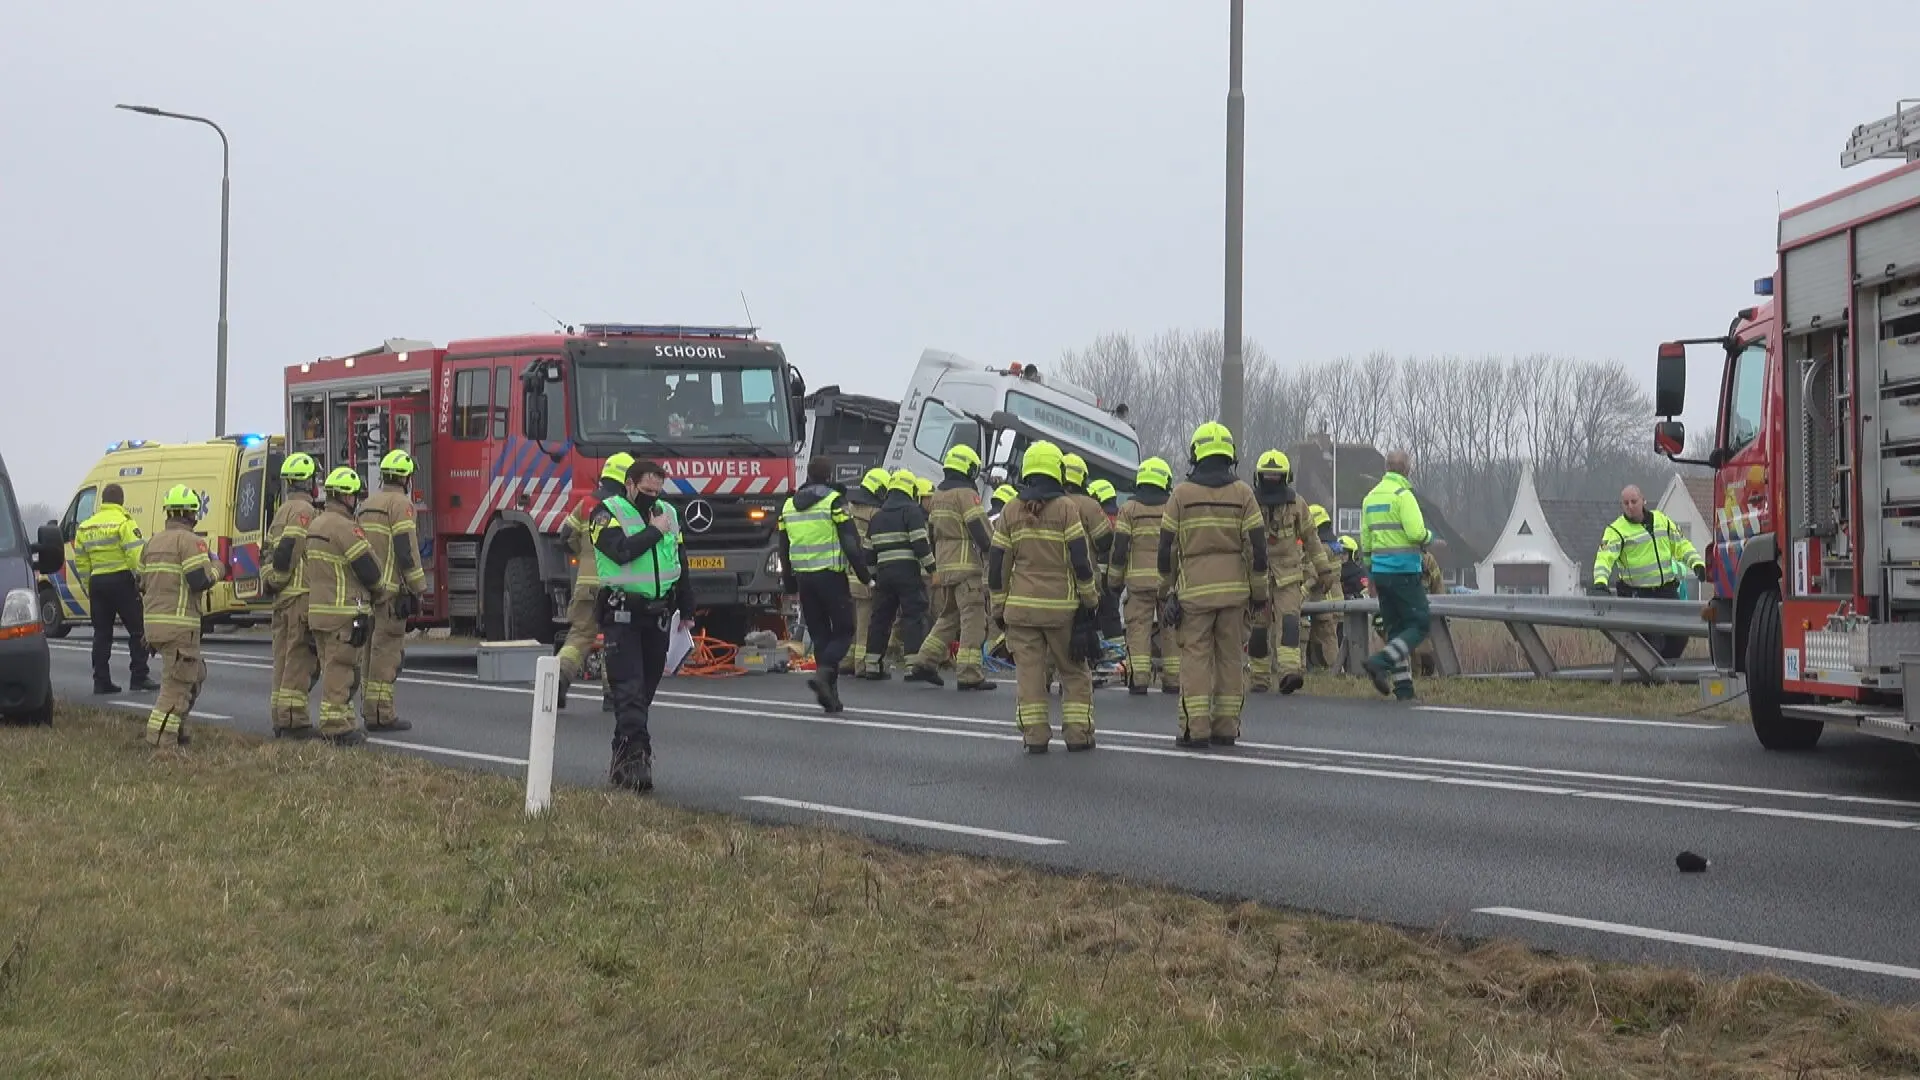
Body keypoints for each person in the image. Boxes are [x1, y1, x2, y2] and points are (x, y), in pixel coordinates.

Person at [1159, 423, 1266, 747]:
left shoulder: (1181, 494)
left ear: (1196, 454)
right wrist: (1258, 593)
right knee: (1231, 660)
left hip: (1194, 594)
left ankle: (1195, 730)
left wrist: (1166, 592)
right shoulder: (1244, 493)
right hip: (1235, 595)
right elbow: (1257, 549)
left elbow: (1167, 549)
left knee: (1195, 659)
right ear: (1229, 455)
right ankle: (1226, 728)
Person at [988, 441, 1099, 752]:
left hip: (1020, 612)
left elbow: (997, 565)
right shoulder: (1067, 509)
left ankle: (1035, 738)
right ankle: (1078, 735)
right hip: (1061, 611)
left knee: (1030, 677)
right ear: (1057, 471)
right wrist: (1090, 600)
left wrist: (999, 606)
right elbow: (1080, 559)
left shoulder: (1009, 511)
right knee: (1074, 672)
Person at [590, 456, 691, 793]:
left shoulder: (670, 514)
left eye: (657, 489)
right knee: (629, 691)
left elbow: (681, 562)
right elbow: (620, 551)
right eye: (646, 489)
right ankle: (638, 760)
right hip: (623, 617)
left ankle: (620, 761)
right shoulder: (606, 512)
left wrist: (688, 608)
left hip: (659, 617)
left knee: (643, 694)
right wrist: (653, 530)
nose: (652, 495)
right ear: (630, 485)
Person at [304, 467, 392, 745]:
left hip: (318, 613)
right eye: (354, 496)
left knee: (331, 668)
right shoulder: (346, 528)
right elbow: (368, 569)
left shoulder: (315, 525)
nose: (356, 501)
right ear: (346, 497)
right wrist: (381, 592)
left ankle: (339, 721)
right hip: (344, 612)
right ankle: (336, 727)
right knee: (342, 671)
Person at [779, 458, 872, 713]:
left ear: (808, 474)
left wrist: (788, 582)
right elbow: (850, 542)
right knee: (844, 630)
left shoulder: (788, 505)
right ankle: (823, 676)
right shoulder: (833, 501)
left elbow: (783, 547)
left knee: (820, 634)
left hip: (804, 579)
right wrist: (865, 576)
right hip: (831, 576)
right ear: (829, 474)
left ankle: (830, 695)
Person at [138, 484, 224, 748]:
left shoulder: (151, 542)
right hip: (179, 627)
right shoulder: (190, 542)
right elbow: (198, 580)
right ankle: (160, 741)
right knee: (175, 687)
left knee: (195, 674)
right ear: (191, 515)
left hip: (154, 626)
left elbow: (141, 584)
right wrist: (217, 569)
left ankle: (178, 729)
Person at [908, 445, 997, 691]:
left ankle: (925, 661)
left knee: (949, 617)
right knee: (973, 620)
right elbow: (978, 527)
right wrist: (991, 548)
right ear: (968, 467)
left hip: (945, 565)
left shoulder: (938, 495)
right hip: (966, 567)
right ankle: (970, 674)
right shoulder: (966, 495)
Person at [355, 449, 428, 732]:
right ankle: (382, 714)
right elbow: (406, 550)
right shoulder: (402, 505)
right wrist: (418, 587)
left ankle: (368, 709)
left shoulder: (368, 503)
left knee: (368, 653)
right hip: (390, 594)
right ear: (405, 477)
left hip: (367, 593)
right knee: (387, 654)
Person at [1589, 484, 1705, 660]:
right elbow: (1604, 558)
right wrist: (1600, 583)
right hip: (1637, 594)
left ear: (1643, 500)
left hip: (1666, 591)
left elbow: (1681, 545)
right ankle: (1652, 679)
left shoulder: (1662, 521)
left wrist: (1697, 564)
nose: (1630, 506)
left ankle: (1665, 675)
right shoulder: (1616, 530)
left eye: (1633, 501)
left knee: (1680, 635)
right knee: (1648, 642)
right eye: (1625, 503)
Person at [1247, 450, 1329, 695]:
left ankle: (1289, 673)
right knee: (1258, 629)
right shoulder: (1250, 503)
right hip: (1257, 577)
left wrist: (1323, 569)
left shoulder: (1296, 504)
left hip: (1288, 578)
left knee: (1290, 624)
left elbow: (1312, 539)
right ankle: (1259, 679)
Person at [556, 453, 629, 708]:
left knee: (579, 636)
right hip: (615, 585)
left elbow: (565, 537)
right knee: (614, 637)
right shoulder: (626, 508)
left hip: (586, 585)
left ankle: (559, 682)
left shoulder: (586, 504)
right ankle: (611, 695)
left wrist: (583, 555)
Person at [1359, 451, 1432, 701]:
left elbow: (1366, 542)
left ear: (1386, 467)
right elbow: (1415, 532)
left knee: (1396, 630)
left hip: (1380, 573)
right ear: (1407, 470)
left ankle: (1404, 689)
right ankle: (1381, 661)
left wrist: (1371, 575)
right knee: (1420, 623)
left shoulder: (1369, 498)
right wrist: (1429, 538)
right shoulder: (1404, 496)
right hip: (1404, 571)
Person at [72, 482, 158, 695]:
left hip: (97, 583)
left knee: (101, 634)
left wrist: (87, 586)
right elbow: (135, 555)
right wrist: (142, 582)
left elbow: (81, 562)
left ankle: (101, 681)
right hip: (121, 582)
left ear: (103, 501)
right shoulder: (124, 523)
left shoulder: (86, 526)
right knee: (138, 629)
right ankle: (139, 676)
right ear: (121, 501)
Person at [263, 453, 321, 738]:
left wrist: (272, 582)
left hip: (282, 599)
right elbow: (288, 549)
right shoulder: (304, 511)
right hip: (299, 596)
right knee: (299, 659)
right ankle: (294, 720)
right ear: (308, 481)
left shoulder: (281, 511)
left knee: (283, 659)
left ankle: (279, 717)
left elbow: (268, 552)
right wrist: (280, 577)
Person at [859, 469, 934, 680]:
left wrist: (874, 579)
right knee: (913, 616)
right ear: (910, 489)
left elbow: (868, 555)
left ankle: (872, 665)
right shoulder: (911, 511)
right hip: (908, 575)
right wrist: (933, 570)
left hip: (884, 576)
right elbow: (921, 544)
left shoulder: (878, 516)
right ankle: (912, 666)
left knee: (880, 619)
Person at [1108, 456, 1175, 694]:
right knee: (1172, 629)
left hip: (1137, 583)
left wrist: (1114, 582)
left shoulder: (1129, 509)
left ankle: (1139, 680)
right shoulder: (1173, 507)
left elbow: (1119, 549)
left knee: (1138, 630)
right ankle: (1174, 680)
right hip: (1168, 582)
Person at [840, 468, 890, 677]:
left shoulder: (848, 509)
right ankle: (861, 664)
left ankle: (846, 661)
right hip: (864, 577)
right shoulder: (875, 514)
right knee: (864, 626)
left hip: (845, 576)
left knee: (850, 625)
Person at [1306, 504, 1342, 671]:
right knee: (1327, 638)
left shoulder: (1323, 549)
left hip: (1324, 600)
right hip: (1335, 599)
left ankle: (1333, 672)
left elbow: (1314, 575)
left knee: (1326, 641)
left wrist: (1302, 589)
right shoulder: (1335, 545)